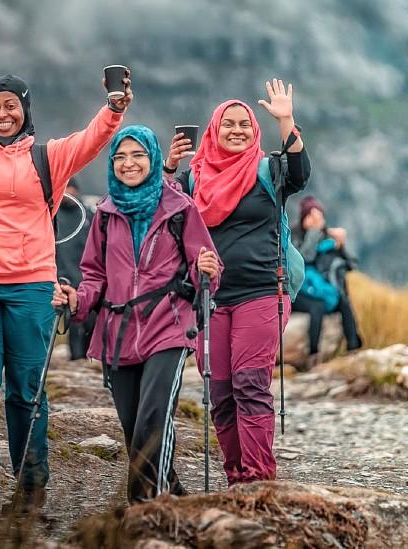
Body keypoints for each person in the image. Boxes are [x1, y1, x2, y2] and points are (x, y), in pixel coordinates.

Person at [0, 3, 131, 511]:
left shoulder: (49, 157)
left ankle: (31, 488)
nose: (2, 114)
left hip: (33, 285)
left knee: (27, 392)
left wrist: (115, 109)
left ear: (25, 109)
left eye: (10, 106)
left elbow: (93, 139)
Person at [53, 125, 220, 503]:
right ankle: (173, 493)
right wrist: (78, 301)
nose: (129, 164)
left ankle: (143, 506)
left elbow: (205, 265)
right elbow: (94, 274)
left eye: (138, 155)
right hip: (119, 332)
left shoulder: (180, 208)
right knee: (133, 428)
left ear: (153, 159)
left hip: (169, 326)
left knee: (153, 418)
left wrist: (207, 269)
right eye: (121, 157)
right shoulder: (106, 214)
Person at [164, 80, 310, 486]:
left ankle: (259, 480)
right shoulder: (193, 180)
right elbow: (161, 211)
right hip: (210, 297)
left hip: (263, 291)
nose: (236, 130)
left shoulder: (268, 170)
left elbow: (301, 172)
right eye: (227, 124)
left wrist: (286, 121)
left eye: (244, 124)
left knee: (250, 382)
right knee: (222, 393)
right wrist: (169, 168)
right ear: (213, 130)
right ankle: (236, 479)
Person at [292, 196, 362, 369]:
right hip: (298, 291)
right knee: (317, 307)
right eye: (310, 216)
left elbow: (351, 264)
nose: (315, 221)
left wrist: (341, 246)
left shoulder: (329, 238)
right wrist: (314, 232)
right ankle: (313, 356)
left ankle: (354, 348)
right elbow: (303, 258)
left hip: (320, 290)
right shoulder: (294, 234)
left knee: (344, 302)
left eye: (319, 217)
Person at [54, 178, 93, 360]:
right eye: (64, 188)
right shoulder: (52, 215)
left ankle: (86, 358)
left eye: (70, 188)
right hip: (60, 279)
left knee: (88, 322)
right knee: (71, 326)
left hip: (85, 278)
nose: (67, 192)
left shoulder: (87, 214)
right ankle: (76, 359)